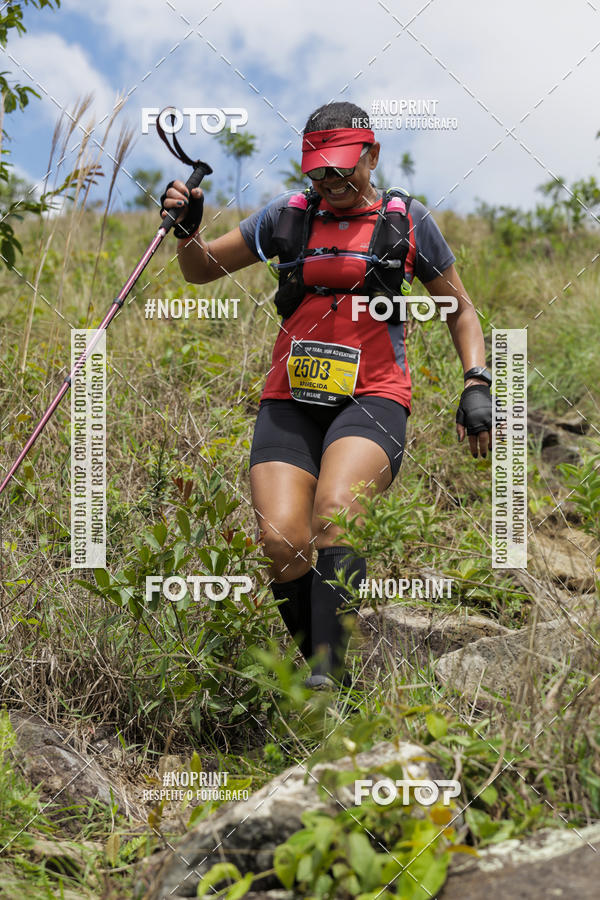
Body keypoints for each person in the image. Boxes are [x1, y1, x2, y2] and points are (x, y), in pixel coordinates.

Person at [160, 101, 492, 691]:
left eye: (343, 169)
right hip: (289, 397)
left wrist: (476, 382)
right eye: (319, 171)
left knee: (336, 515)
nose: (331, 183)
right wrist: (188, 231)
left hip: (373, 396)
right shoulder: (287, 216)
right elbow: (200, 270)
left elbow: (460, 309)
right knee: (282, 541)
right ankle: (320, 664)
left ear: (372, 155)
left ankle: (328, 679)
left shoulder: (405, 220)